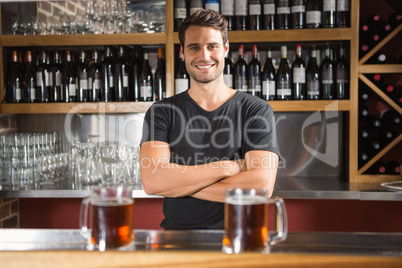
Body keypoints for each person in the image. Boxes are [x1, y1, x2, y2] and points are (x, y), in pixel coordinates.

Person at [139, 9, 281, 229]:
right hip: (178, 242)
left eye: (212, 46)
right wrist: (230, 167)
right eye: (194, 47)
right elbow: (153, 182)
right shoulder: (162, 111)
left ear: (225, 49)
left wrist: (179, 184)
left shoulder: (255, 110)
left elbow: (261, 187)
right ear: (183, 53)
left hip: (241, 240)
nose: (204, 56)